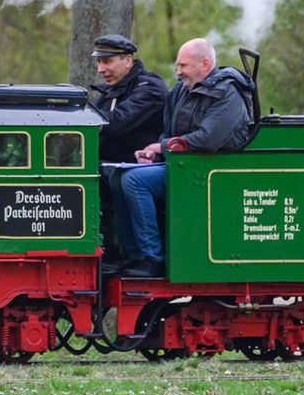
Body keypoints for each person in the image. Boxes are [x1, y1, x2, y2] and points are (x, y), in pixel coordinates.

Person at [113, 38, 252, 278]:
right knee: (117, 176)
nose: (178, 72)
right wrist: (155, 152)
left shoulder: (228, 94)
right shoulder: (180, 91)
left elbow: (208, 139)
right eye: (178, 65)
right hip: (184, 166)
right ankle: (134, 254)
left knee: (134, 180)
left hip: (210, 170)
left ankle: (153, 258)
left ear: (205, 64)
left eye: (183, 66)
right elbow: (169, 131)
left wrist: (162, 146)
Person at [89, 34, 168, 164]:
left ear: (128, 61)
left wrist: (80, 119)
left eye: (107, 61)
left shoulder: (150, 88)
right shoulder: (112, 88)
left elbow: (115, 122)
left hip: (136, 167)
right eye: (99, 62)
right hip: (106, 165)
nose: (100, 69)